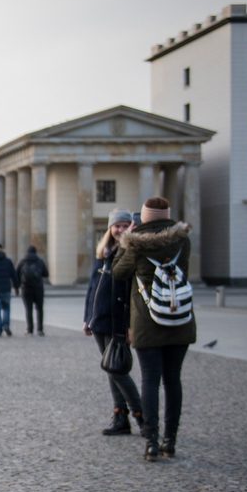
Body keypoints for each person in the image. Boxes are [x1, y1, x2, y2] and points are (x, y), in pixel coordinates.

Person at [112, 197, 197, 462]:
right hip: (179, 318)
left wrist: (128, 243)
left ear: (145, 218)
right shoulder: (182, 240)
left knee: (150, 379)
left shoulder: (135, 243)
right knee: (173, 380)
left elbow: (118, 273)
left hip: (148, 322)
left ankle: (151, 441)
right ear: (168, 215)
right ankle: (170, 441)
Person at [83, 209, 143, 436]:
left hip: (117, 321)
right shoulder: (104, 253)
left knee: (117, 370)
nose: (119, 229)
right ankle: (120, 417)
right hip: (99, 319)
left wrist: (130, 326)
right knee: (111, 369)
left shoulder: (130, 252)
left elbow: (132, 294)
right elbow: (93, 289)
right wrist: (87, 318)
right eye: (116, 226)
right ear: (110, 228)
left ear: (132, 227)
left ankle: (142, 416)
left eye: (125, 225)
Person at [16, 246, 50, 335]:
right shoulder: (40, 261)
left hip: (26, 288)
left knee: (28, 309)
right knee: (39, 309)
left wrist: (18, 286)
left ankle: (29, 330)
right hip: (38, 288)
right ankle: (40, 329)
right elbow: (46, 274)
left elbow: (16, 274)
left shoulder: (22, 261)